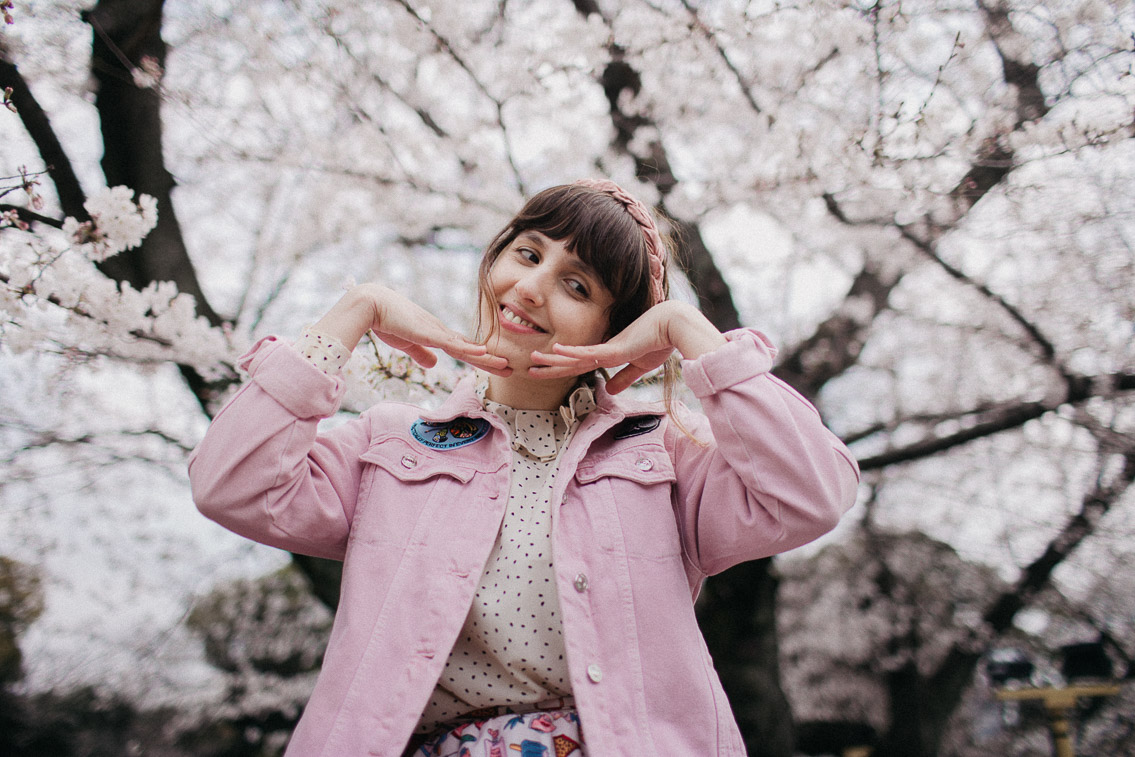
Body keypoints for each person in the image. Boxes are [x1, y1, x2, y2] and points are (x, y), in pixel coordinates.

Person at [188, 179, 860, 757]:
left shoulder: (663, 456)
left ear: (614, 326)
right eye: (526, 253)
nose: (531, 287)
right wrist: (349, 314)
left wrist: (689, 330)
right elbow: (229, 484)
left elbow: (813, 493)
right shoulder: (389, 446)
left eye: (575, 284)